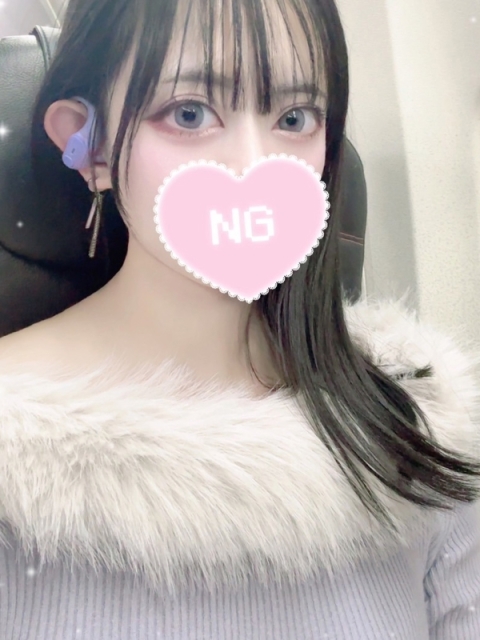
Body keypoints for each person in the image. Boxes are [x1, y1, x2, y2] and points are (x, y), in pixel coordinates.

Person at [0, 0, 479, 638]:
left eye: (294, 118)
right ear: (90, 146)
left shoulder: (418, 423)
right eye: (189, 113)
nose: (254, 167)